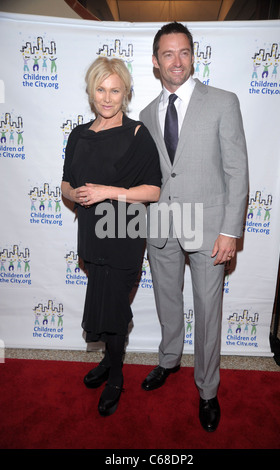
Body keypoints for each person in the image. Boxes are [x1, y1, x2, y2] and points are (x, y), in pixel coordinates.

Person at [139, 22, 248, 432]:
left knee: (207, 311)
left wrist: (230, 230)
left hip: (209, 229)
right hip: (162, 226)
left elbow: (237, 171)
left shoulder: (223, 101)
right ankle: (168, 360)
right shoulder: (147, 114)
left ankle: (207, 390)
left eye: (183, 52)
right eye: (167, 54)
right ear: (155, 61)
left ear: (193, 55)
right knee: (168, 301)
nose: (176, 61)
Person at [61, 57, 161, 417]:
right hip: (91, 232)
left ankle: (116, 376)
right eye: (101, 89)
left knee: (115, 306)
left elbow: (152, 191)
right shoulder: (78, 135)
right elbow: (65, 184)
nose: (107, 97)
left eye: (115, 90)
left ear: (126, 93)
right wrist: (78, 195)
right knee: (103, 302)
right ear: (91, 91)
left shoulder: (137, 134)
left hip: (125, 232)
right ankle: (107, 361)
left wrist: (106, 191)